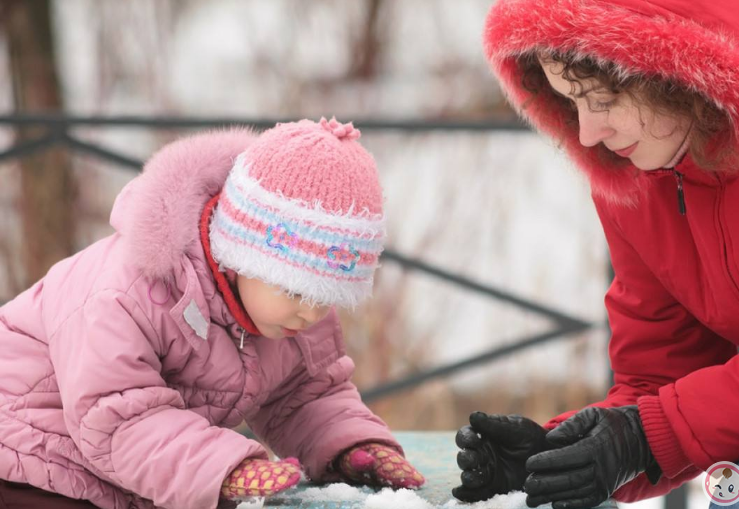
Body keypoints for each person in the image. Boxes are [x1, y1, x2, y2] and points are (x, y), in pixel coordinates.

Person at [453, 0, 739, 508]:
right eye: (571, 102)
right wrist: (561, 454)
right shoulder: (636, 173)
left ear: (675, 73)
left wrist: (644, 436)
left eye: (604, 101)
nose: (588, 133)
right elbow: (661, 378)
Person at [0, 118, 424, 509]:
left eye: (327, 293)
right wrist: (224, 469)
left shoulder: (286, 312)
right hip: (26, 450)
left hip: (122, 469)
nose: (311, 311)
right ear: (242, 255)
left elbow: (306, 395)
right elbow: (122, 419)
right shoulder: (127, 296)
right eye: (295, 288)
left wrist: (351, 448)